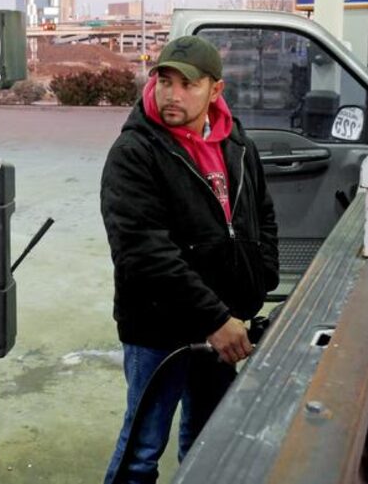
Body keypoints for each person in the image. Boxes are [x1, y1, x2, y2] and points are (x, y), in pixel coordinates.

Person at [99, 35, 279, 484]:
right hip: (158, 328)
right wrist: (215, 317)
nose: (172, 95)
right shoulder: (135, 152)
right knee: (142, 450)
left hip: (223, 324)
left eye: (187, 84)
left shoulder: (237, 145)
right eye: (165, 80)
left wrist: (260, 278)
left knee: (207, 442)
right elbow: (143, 252)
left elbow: (264, 216)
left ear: (215, 91)